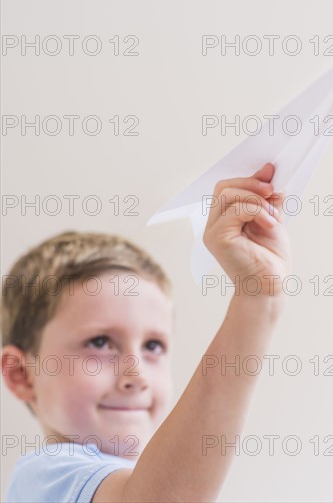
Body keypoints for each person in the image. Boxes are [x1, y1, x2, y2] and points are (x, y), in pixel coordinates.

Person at [2, 162, 292, 502]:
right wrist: (257, 301)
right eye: (100, 342)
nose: (136, 375)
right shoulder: (46, 476)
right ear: (22, 375)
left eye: (153, 346)